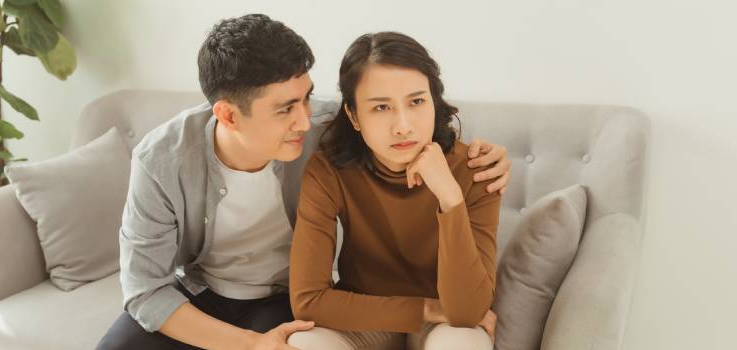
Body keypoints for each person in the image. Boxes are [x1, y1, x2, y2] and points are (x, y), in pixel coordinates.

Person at [97, 15, 511, 350]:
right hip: (201, 290)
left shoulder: (328, 127)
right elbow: (145, 291)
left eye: (307, 97)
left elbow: (402, 117)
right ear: (227, 115)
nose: (304, 119)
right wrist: (249, 345)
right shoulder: (161, 160)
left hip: (278, 298)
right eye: (286, 109)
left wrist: (473, 167)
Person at [288, 32, 501, 350]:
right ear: (354, 115)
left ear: (434, 101)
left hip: (447, 325)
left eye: (416, 101)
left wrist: (450, 197)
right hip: (366, 315)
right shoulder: (328, 171)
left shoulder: (479, 169)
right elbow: (308, 301)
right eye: (381, 108)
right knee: (303, 345)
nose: (403, 126)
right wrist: (426, 309)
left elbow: (467, 312)